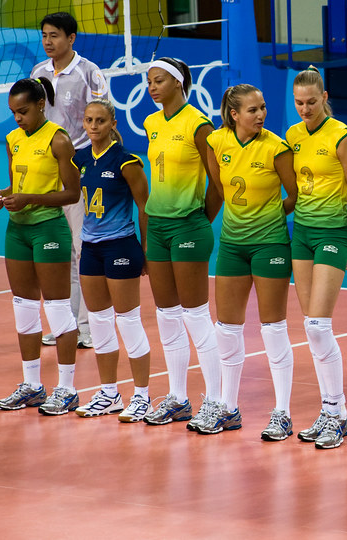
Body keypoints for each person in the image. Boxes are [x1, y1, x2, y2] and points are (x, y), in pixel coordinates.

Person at [198, 84, 298, 440]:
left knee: (273, 329)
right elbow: (219, 188)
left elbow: (295, 194)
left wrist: (267, 215)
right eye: (252, 110)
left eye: (263, 108)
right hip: (232, 246)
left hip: (269, 243)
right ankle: (228, 406)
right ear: (234, 114)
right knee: (227, 328)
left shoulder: (276, 147)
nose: (261, 115)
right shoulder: (217, 143)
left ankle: (282, 412)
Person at [142, 57, 223, 428]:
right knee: (166, 315)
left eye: (159, 80)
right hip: (157, 228)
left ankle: (217, 401)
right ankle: (177, 397)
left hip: (188, 227)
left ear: (178, 82)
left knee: (195, 316)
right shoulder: (152, 122)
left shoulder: (199, 125)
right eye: (149, 81)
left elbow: (218, 185)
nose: (152, 86)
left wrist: (197, 221)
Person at [0, 77, 81, 414]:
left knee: (58, 310)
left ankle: (67, 388)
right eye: (13, 112)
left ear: (41, 104)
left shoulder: (59, 140)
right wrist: (4, 195)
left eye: (24, 111)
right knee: (24, 309)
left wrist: (28, 198)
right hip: (17, 232)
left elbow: (72, 194)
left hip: (49, 230)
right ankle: (31, 385)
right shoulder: (13, 139)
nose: (18, 118)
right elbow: (18, 182)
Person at [285, 66, 347, 449]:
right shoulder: (293, 135)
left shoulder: (343, 136)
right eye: (299, 103)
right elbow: (294, 189)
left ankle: (335, 410)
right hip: (303, 233)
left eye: (312, 102)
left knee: (318, 325)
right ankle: (334, 413)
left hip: (333, 231)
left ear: (325, 96)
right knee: (311, 328)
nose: (305, 109)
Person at [71, 100, 154, 422]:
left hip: (121, 247)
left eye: (100, 120)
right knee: (100, 321)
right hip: (90, 248)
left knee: (128, 321)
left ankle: (143, 396)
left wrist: (145, 251)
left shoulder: (126, 161)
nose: (93, 126)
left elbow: (144, 206)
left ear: (112, 123)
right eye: (89, 120)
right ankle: (109, 394)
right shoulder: (79, 159)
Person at [32, 11, 108, 349]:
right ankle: (64, 326)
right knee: (56, 251)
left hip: (79, 171)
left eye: (55, 36)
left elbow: (102, 121)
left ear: (71, 38)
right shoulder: (38, 74)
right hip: (48, 172)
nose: (49, 42)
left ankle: (87, 327)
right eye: (45, 36)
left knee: (83, 249)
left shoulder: (89, 72)